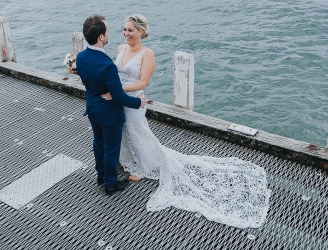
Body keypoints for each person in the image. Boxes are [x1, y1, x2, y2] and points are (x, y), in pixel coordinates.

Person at [102, 14, 272, 228]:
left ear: (141, 32)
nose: (126, 34)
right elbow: (113, 75)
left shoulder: (148, 54)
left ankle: (143, 168)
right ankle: (128, 159)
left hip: (133, 100)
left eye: (131, 30)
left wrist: (116, 91)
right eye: (124, 30)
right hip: (118, 100)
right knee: (124, 132)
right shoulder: (120, 49)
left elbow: (142, 82)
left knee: (138, 132)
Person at [75, 14, 146, 196]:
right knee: (111, 148)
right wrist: (138, 102)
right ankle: (110, 184)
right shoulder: (107, 66)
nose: (109, 34)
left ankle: (101, 176)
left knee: (98, 142)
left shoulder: (81, 57)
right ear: (100, 37)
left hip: (92, 108)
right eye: (107, 31)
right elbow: (119, 97)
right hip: (108, 113)